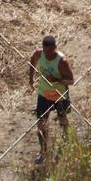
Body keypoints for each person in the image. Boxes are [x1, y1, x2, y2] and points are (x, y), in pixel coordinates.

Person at [28, 35, 74, 165]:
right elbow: (32, 59)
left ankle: (66, 138)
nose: (47, 54)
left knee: (62, 118)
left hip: (59, 93)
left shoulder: (62, 61)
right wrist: (31, 78)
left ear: (55, 48)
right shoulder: (39, 54)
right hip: (44, 93)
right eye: (45, 51)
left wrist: (56, 80)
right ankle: (43, 152)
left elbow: (71, 80)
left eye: (50, 51)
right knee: (41, 123)